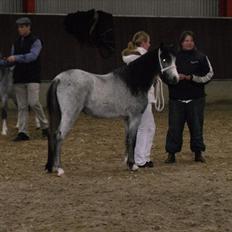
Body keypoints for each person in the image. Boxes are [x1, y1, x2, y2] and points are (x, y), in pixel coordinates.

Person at [164, 31, 214, 163]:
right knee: (174, 128)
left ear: (194, 42)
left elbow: (209, 75)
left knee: (197, 127)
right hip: (176, 99)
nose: (189, 43)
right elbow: (164, 74)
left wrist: (192, 78)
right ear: (181, 42)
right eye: (186, 40)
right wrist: (175, 78)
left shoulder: (201, 57)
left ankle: (198, 153)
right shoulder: (173, 57)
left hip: (196, 99)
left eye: (191, 40)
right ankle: (171, 154)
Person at [7, 17, 49, 141]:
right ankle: (23, 132)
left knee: (34, 102)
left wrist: (15, 58)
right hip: (19, 78)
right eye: (19, 27)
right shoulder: (15, 43)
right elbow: (12, 61)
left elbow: (33, 56)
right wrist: (6, 62)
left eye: (22, 27)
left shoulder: (36, 41)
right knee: (22, 106)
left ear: (28, 27)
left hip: (32, 77)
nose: (20, 29)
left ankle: (45, 126)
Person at [121, 31, 155, 168]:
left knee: (138, 127)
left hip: (131, 95)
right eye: (148, 42)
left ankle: (135, 156)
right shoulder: (144, 57)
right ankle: (141, 159)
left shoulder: (129, 57)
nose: (150, 45)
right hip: (142, 96)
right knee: (146, 127)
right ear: (143, 43)